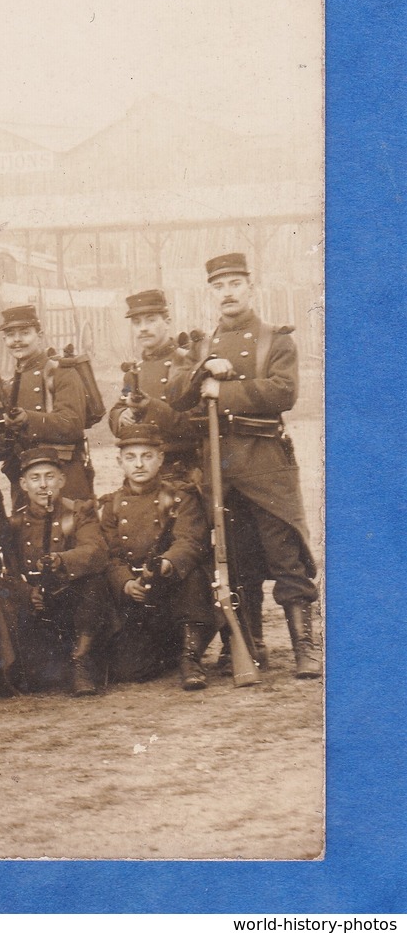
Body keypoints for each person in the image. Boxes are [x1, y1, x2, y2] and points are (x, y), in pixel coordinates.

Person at [192, 252, 321, 679]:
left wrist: (221, 392)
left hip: (266, 464)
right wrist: (202, 370)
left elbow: (283, 392)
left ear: (251, 287)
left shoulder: (275, 339)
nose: (227, 293)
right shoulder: (203, 345)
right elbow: (179, 395)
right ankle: (250, 645)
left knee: (286, 558)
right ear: (211, 293)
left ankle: (304, 647)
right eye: (218, 286)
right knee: (238, 561)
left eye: (234, 284)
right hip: (223, 470)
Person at [96, 424, 214, 689]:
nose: (139, 464)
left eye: (147, 456)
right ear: (120, 462)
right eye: (131, 458)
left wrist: (167, 563)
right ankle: (168, 652)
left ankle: (190, 656)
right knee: (129, 670)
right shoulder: (111, 505)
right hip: (137, 598)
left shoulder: (179, 497)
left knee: (193, 574)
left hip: (174, 591)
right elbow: (110, 554)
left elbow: (190, 540)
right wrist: (126, 582)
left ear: (160, 459)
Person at [3, 448, 110, 697]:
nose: (43, 485)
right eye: (35, 478)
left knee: (95, 581)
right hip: (38, 608)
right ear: (23, 484)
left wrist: (61, 560)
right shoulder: (14, 524)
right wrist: (28, 592)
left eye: (49, 476)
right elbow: (6, 571)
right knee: (37, 679)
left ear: (61, 480)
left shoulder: (79, 512)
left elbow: (94, 551)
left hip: (74, 603)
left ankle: (80, 659)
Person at [0, 305, 95, 505]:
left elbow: (72, 423)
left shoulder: (60, 372)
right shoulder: (8, 385)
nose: (17, 340)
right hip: (26, 481)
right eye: (10, 334)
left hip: (64, 475)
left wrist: (28, 419)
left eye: (24, 333)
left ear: (39, 336)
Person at [107, 290, 206, 480]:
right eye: (137, 323)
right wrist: (123, 416)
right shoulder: (135, 371)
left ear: (167, 322)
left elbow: (195, 423)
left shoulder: (186, 363)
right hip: (143, 472)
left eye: (151, 320)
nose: (143, 328)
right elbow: (118, 409)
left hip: (182, 471)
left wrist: (150, 407)